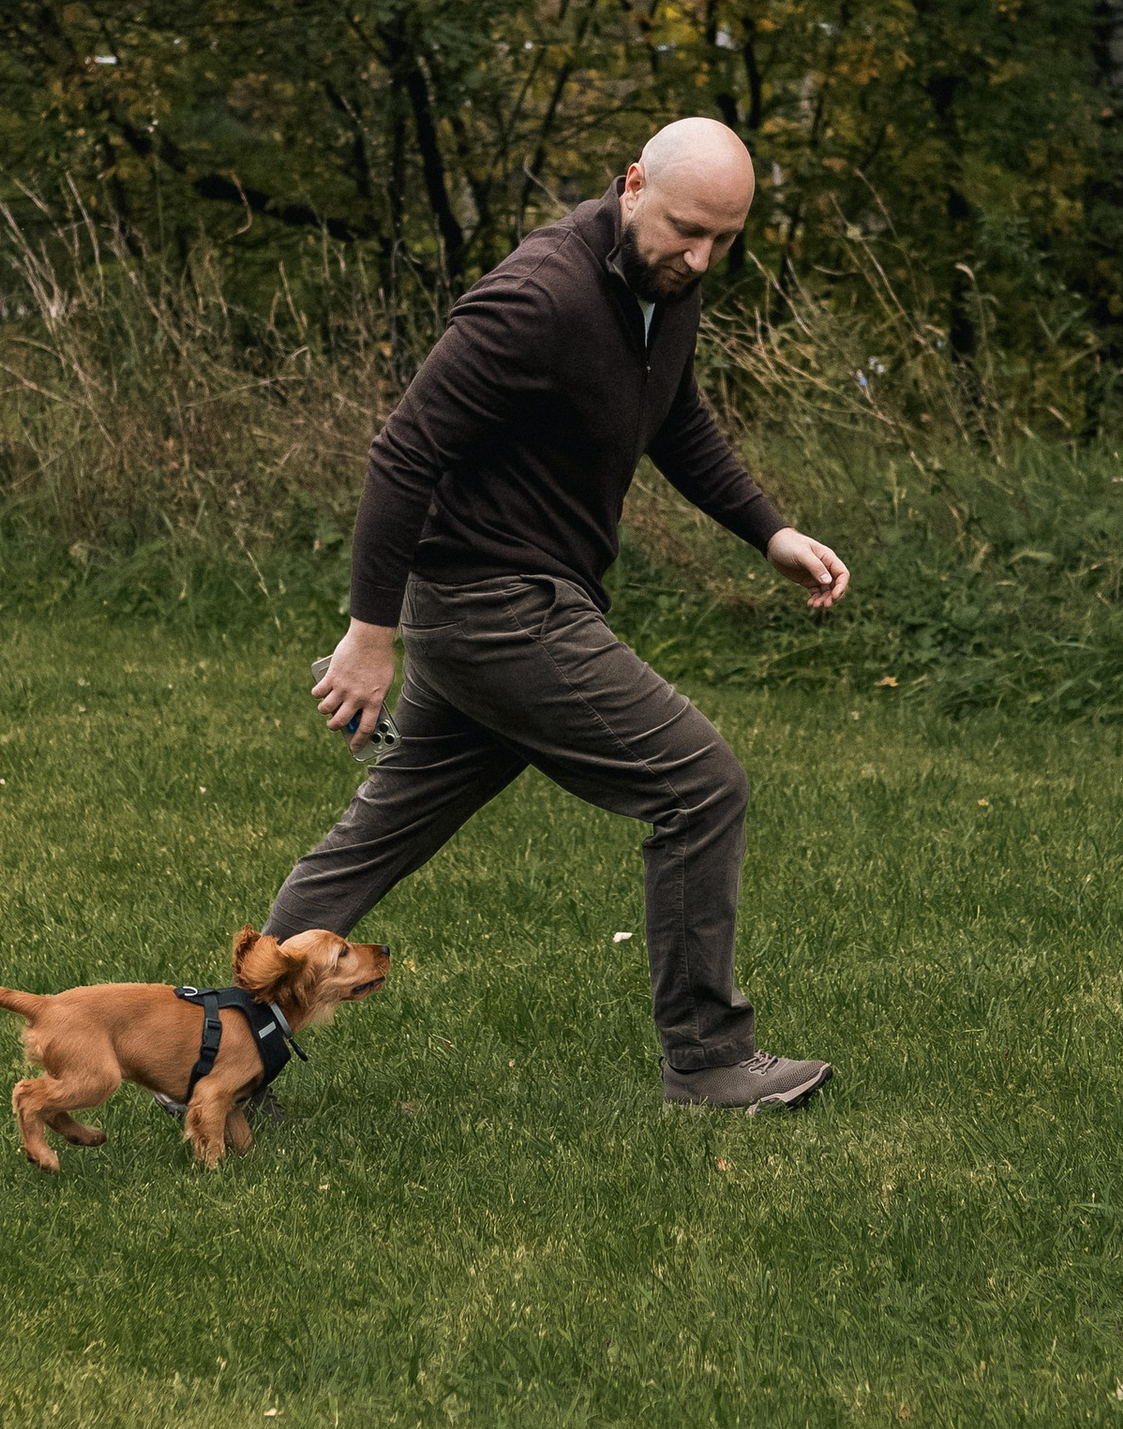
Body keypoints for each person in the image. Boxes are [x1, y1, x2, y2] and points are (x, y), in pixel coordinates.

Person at [266, 119, 850, 1112]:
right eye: (684, 229)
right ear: (631, 186)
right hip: (498, 606)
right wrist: (371, 636)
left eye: (723, 238)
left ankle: (222, 1048)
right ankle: (707, 1060)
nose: (700, 257)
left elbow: (674, 417)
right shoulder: (538, 299)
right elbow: (404, 452)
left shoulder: (664, 285)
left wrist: (768, 532)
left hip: (502, 608)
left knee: (378, 839)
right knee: (699, 786)